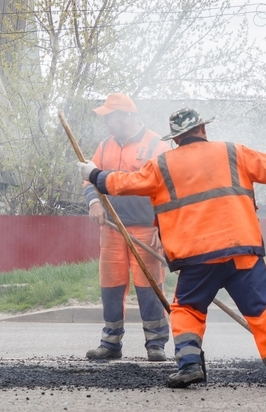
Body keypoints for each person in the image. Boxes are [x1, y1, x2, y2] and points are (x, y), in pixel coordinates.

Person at [77, 108, 266, 392]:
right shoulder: (233, 152)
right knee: (263, 314)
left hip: (196, 257)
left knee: (186, 310)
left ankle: (189, 365)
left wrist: (94, 175)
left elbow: (125, 183)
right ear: (203, 129)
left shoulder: (161, 164)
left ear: (176, 139)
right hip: (242, 253)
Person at [83, 93, 171, 362]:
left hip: (146, 229)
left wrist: (163, 228)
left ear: (128, 116)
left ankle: (155, 343)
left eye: (112, 117)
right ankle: (110, 342)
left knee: (149, 287)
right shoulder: (104, 146)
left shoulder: (157, 146)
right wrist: (93, 204)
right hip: (111, 228)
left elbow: (168, 190)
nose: (108, 122)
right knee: (111, 285)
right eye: (106, 117)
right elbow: (90, 180)